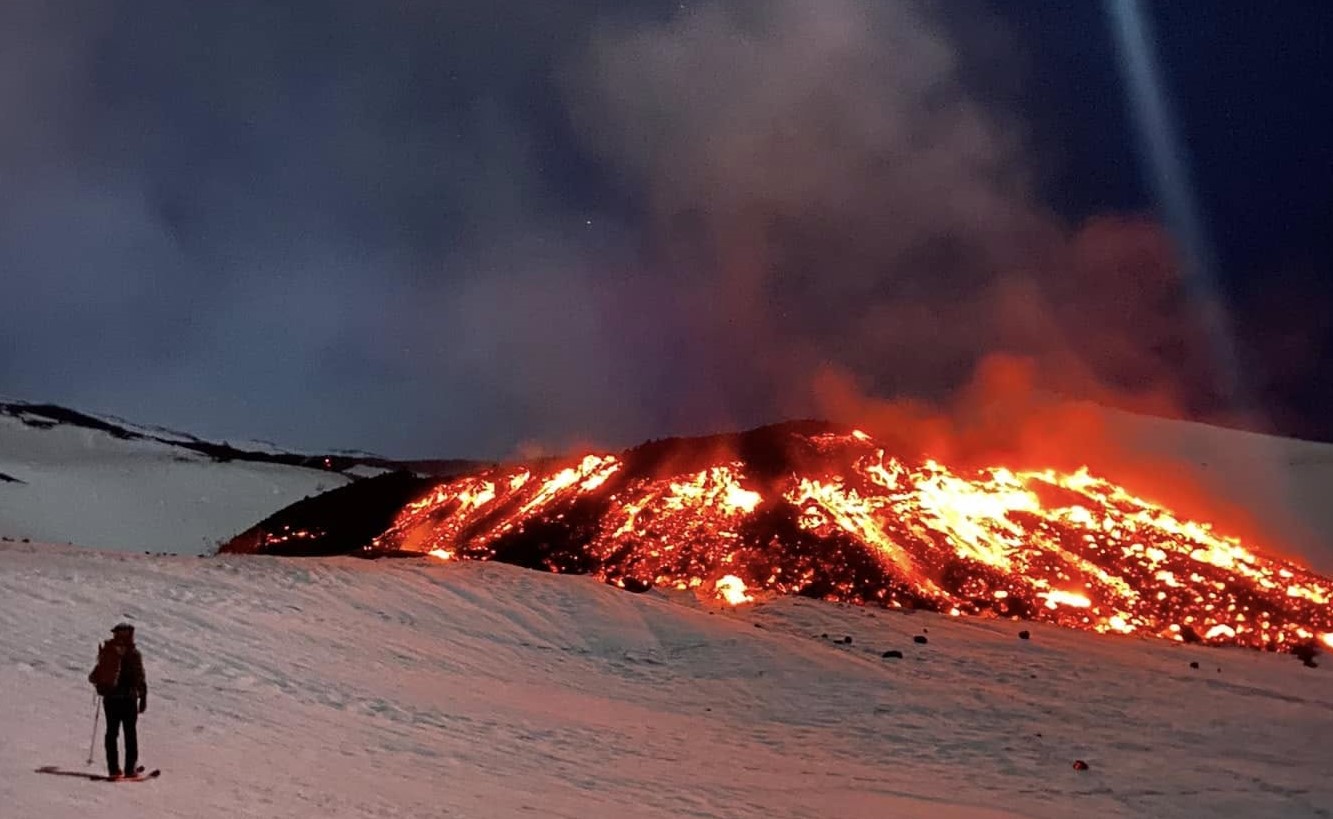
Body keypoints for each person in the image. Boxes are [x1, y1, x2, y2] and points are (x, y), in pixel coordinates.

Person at [88, 622, 148, 779]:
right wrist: (143, 698)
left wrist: (103, 684)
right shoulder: (133, 654)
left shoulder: (108, 651)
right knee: (130, 734)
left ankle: (113, 769)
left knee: (111, 733)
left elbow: (93, 676)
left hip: (110, 699)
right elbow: (139, 677)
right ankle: (130, 769)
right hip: (129, 699)